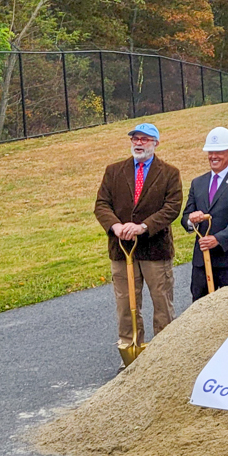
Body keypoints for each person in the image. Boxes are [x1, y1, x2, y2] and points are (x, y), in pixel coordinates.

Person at [93, 123, 182, 355]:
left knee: (162, 304)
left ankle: (164, 354)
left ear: (156, 143)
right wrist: (115, 226)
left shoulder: (170, 173)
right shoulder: (114, 171)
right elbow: (101, 204)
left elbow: (172, 208)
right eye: (135, 139)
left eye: (144, 139)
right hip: (122, 250)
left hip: (155, 250)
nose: (139, 143)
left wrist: (144, 226)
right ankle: (131, 352)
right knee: (126, 305)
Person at [181, 127, 228, 301]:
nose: (213, 156)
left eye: (219, 152)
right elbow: (185, 217)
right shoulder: (197, 183)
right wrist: (191, 220)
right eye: (210, 152)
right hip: (202, 260)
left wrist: (218, 239)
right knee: (200, 310)